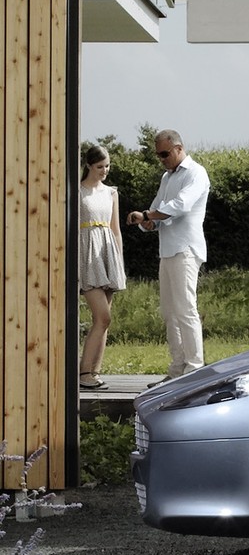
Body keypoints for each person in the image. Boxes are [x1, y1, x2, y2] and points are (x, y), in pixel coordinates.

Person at [126, 129, 210, 380]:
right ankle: (176, 370)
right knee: (169, 312)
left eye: (164, 154)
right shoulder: (167, 177)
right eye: (158, 155)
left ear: (178, 148)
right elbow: (156, 209)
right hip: (169, 250)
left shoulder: (196, 173)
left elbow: (181, 206)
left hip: (186, 249)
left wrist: (150, 216)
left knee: (185, 310)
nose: (161, 159)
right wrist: (148, 221)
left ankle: (194, 369)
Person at [77, 144, 127, 390]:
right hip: (87, 254)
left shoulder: (111, 193)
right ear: (88, 165)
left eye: (107, 166)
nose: (104, 170)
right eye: (100, 166)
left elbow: (115, 229)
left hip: (108, 253)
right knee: (102, 316)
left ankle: (93, 373)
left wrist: (119, 261)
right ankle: (84, 372)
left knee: (105, 321)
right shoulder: (77, 191)